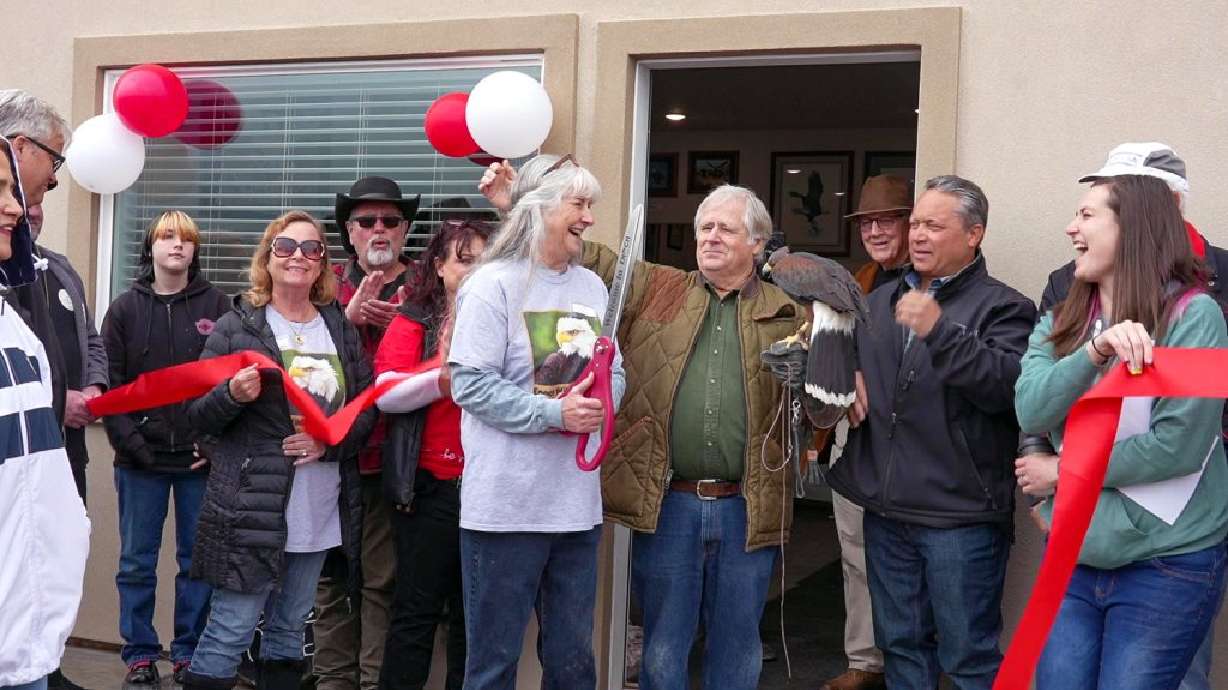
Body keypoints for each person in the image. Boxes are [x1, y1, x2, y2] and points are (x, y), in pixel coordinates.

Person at [1013, 142, 1228, 690]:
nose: (1069, 228)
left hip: (1166, 566)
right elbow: (1031, 407)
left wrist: (1063, 470)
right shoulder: (1064, 317)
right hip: (1074, 555)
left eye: (1086, 215)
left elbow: (1176, 447)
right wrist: (1094, 353)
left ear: (1131, 226)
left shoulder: (1196, 315)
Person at [825, 175, 1036, 690]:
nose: (917, 235)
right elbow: (834, 356)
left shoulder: (1006, 307)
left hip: (958, 518)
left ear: (973, 235)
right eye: (915, 223)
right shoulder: (876, 304)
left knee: (967, 659)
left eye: (933, 226)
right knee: (901, 650)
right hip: (885, 510)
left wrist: (938, 330)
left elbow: (1007, 390)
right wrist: (842, 373)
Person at [181, 210, 376, 690]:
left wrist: (328, 442)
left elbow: (366, 409)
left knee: (290, 630)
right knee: (231, 628)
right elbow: (196, 413)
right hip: (253, 507)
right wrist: (232, 395)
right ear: (267, 259)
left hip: (317, 507)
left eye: (311, 249)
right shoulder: (237, 326)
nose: (298, 257)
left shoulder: (338, 328)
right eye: (285, 247)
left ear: (322, 263)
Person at [448, 160, 625, 690]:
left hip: (576, 512)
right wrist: (555, 413)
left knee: (573, 666)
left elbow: (613, 369)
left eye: (590, 206)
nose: (589, 219)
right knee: (493, 666)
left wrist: (602, 398)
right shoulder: (491, 285)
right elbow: (470, 386)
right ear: (540, 208)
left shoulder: (593, 287)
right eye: (579, 205)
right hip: (504, 513)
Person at [101, 210, 230, 687]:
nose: (178, 246)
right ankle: (138, 654)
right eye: (168, 237)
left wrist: (212, 442)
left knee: (196, 564)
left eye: (187, 240)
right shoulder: (124, 309)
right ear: (150, 248)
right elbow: (110, 386)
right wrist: (132, 444)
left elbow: (230, 384)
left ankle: (188, 653)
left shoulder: (217, 306)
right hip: (140, 461)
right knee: (136, 560)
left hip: (198, 461)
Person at [374, 218, 494, 690]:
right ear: (440, 267)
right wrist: (443, 377)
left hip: (491, 492)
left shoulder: (508, 321)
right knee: (415, 616)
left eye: (486, 261)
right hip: (430, 489)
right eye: (464, 260)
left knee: (473, 623)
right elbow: (385, 394)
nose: (475, 271)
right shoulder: (416, 318)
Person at [314, 176, 420, 690]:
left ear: (405, 231)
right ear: (349, 232)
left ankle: (375, 682)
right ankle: (334, 682)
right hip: (330, 459)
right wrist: (344, 323)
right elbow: (297, 363)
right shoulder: (323, 283)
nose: (379, 229)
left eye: (390, 221)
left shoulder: (430, 284)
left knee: (383, 582)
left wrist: (414, 327)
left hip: (395, 462)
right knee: (330, 580)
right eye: (366, 221)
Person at [0, 89, 90, 690]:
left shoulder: (11, 321)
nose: (19, 207)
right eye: (1, 192)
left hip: (26, 631)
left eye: (12, 190)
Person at [817, 174, 913, 690]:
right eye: (867, 222)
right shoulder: (858, 280)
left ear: (909, 223)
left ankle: (906, 663)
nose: (875, 231)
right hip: (855, 440)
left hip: (913, 448)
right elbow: (827, 349)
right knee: (854, 554)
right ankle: (863, 660)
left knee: (911, 561)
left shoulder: (931, 280)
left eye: (887, 220)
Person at [27, 204, 108, 503]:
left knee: (72, 543)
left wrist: (94, 386)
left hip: (70, 451)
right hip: (22, 455)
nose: (33, 212)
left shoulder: (60, 267)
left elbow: (91, 338)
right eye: (25, 203)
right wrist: (57, 404)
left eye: (38, 203)